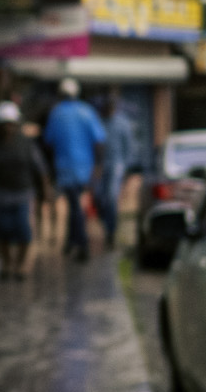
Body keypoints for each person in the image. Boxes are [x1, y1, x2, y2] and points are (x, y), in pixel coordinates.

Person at [0, 101, 49, 279]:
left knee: (24, 232)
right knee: (2, 231)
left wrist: (45, 191)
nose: (7, 128)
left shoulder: (26, 144)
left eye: (11, 124)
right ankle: (6, 264)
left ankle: (20, 266)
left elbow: (40, 169)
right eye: (4, 124)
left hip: (22, 194)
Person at [42, 77, 107, 262]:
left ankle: (81, 244)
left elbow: (48, 142)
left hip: (65, 167)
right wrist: (97, 165)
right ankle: (72, 242)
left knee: (75, 205)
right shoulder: (87, 112)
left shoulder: (56, 113)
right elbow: (99, 141)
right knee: (75, 205)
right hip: (84, 167)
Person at [97, 93, 144, 250]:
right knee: (99, 197)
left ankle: (111, 231)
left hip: (117, 164)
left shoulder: (122, 123)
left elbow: (128, 146)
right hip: (101, 164)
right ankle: (107, 224)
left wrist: (127, 169)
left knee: (111, 197)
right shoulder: (100, 122)